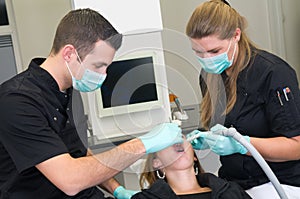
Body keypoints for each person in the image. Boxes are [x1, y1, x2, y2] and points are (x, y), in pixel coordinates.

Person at [0, 8, 183, 199]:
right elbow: (70, 180)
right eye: (98, 66)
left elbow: (80, 154)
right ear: (69, 54)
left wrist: (116, 189)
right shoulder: (17, 101)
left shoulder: (70, 91)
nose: (103, 75)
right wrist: (144, 143)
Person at [185, 0, 300, 198]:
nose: (207, 59)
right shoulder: (209, 76)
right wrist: (204, 137)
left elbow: (296, 146)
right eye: (198, 52)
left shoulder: (273, 73)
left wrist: (243, 145)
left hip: (277, 182)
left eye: (214, 51)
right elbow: (225, 122)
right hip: (234, 182)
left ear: (236, 35)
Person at [132, 138, 251, 199]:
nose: (176, 142)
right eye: (166, 140)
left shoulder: (231, 192)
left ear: (194, 156)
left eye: (180, 137)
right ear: (157, 162)